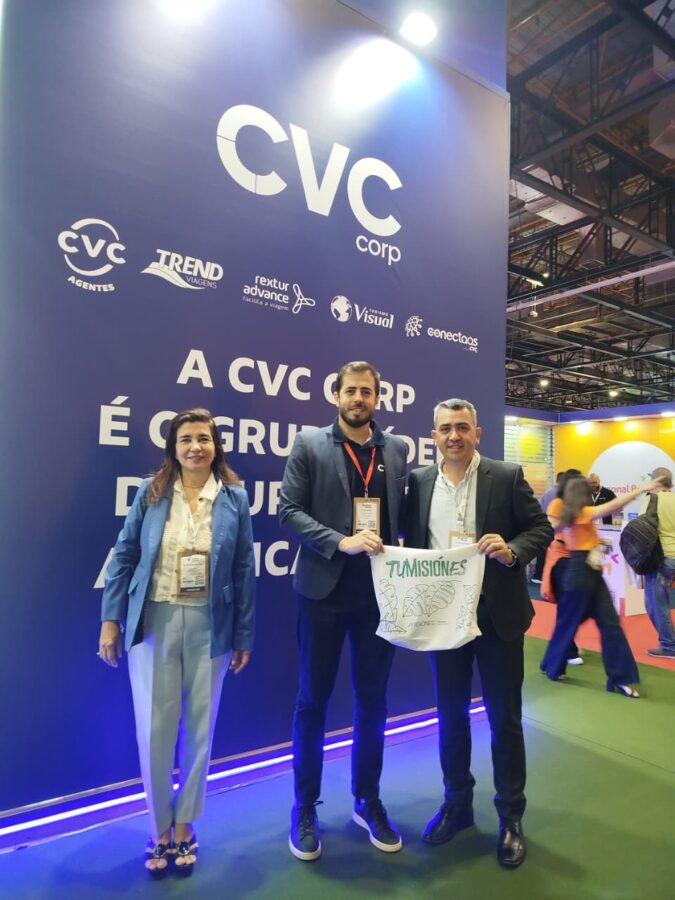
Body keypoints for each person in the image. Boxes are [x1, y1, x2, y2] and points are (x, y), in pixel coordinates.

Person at [98, 408, 255, 877]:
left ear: (216, 445)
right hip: (155, 620)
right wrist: (110, 619)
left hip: (212, 622)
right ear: (173, 447)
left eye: (203, 438)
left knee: (201, 730)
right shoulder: (152, 492)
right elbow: (124, 554)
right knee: (155, 729)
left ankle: (185, 822)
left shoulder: (234, 497)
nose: (195, 447)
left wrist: (244, 633)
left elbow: (244, 568)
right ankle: (159, 828)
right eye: (185, 439)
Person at [404, 398, 553, 869]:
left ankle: (511, 817)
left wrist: (512, 550)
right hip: (443, 618)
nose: (454, 436)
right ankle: (457, 805)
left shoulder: (506, 476)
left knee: (504, 719)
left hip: (497, 616)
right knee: (450, 715)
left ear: (478, 433)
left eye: (462, 427)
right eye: (445, 428)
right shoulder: (419, 482)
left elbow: (541, 528)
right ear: (433, 435)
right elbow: (412, 544)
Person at [279, 361, 407, 861]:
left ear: (377, 398)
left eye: (367, 391)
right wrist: (340, 541)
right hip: (322, 593)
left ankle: (367, 800)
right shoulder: (309, 444)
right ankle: (304, 807)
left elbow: (403, 519)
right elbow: (289, 510)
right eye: (351, 390)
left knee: (373, 703)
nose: (359, 398)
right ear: (336, 395)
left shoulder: (395, 449)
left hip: (378, 594)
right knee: (312, 701)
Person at [541, 474, 663, 695]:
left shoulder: (576, 514)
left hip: (592, 573)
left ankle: (620, 678)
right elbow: (614, 505)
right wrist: (643, 487)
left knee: (610, 624)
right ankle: (552, 665)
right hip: (578, 574)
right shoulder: (577, 512)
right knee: (567, 624)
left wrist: (596, 542)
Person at [539, 469, 584, 670]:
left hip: (574, 560)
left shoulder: (578, 504)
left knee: (571, 608)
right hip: (561, 559)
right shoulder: (557, 503)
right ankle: (567, 651)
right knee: (566, 609)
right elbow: (552, 527)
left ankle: (562, 652)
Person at [641, 467, 675, 660]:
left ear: (654, 482)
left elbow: (641, 529)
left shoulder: (651, 500)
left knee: (656, 604)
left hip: (661, 558)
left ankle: (669, 645)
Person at [531, 472, 564, 583]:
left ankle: (538, 575)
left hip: (544, 525)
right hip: (558, 529)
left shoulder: (547, 493)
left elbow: (540, 509)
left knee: (543, 551)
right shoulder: (562, 494)